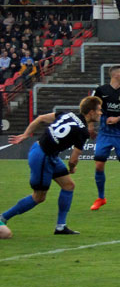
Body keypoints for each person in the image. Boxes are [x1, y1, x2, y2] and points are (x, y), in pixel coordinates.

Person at [0, 96, 103, 236]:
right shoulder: (83, 131)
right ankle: (3, 217)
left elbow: (41, 118)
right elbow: (73, 159)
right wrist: (72, 168)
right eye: (99, 110)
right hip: (43, 157)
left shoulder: (68, 114)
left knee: (68, 186)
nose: (100, 113)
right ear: (90, 112)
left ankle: (61, 226)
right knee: (39, 197)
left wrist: (25, 135)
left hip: (44, 152)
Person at [90, 65, 120, 211]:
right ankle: (101, 198)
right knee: (98, 164)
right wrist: (91, 126)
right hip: (104, 133)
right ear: (115, 75)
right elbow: (92, 109)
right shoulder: (101, 91)